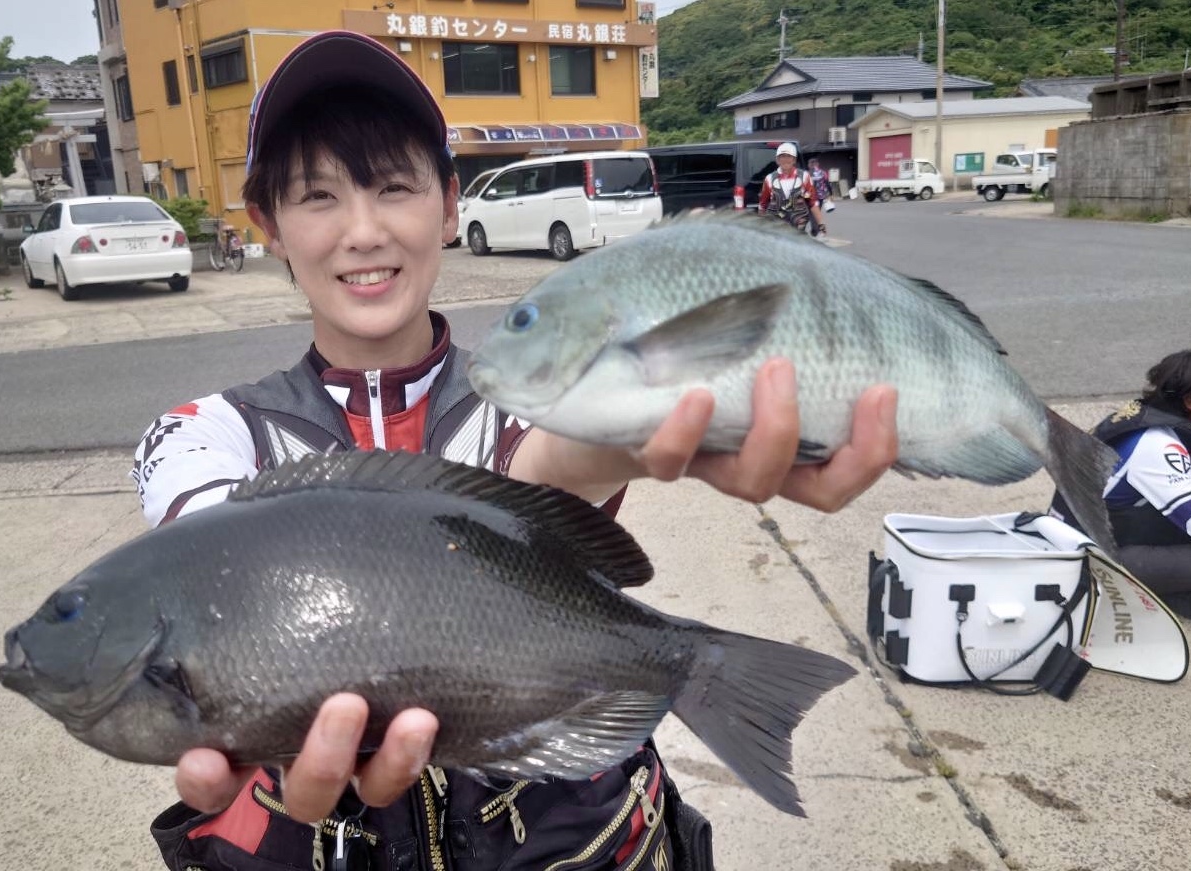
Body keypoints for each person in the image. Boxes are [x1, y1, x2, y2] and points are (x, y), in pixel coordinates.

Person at [132, 30, 900, 871]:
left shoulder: (535, 394)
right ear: (268, 225)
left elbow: (548, 462)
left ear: (448, 205)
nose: (362, 230)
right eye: (317, 197)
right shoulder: (208, 429)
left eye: (394, 187)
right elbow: (208, 559)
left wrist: (598, 450)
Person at [1050, 349, 1191, 606]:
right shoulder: (1156, 445)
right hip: (1083, 564)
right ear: (1188, 401)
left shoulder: (1143, 417)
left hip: (1082, 540)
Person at [758, 142, 827, 237]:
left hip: (798, 228)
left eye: (789, 156)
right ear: (777, 160)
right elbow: (763, 205)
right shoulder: (769, 179)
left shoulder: (804, 177)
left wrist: (821, 225)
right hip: (776, 228)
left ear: (794, 159)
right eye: (782, 156)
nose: (785, 160)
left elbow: (813, 203)